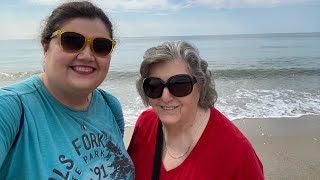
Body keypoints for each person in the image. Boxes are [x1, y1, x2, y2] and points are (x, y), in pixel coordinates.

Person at [0, 1, 134, 179]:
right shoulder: (9, 108)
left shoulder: (110, 106)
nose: (87, 55)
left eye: (101, 46)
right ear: (45, 47)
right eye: (71, 41)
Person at [128, 41, 264, 179]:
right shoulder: (145, 124)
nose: (165, 97)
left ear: (200, 85)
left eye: (180, 85)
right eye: (154, 85)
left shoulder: (236, 152)